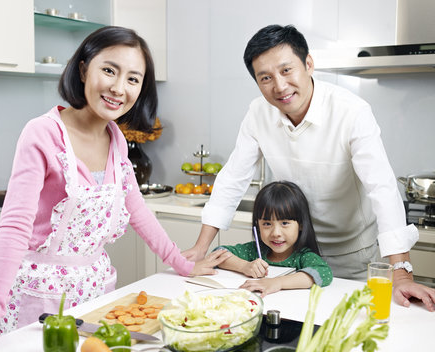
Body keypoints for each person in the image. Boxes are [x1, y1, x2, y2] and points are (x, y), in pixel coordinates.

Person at [0, 26, 231, 352]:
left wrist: (182, 263)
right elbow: (13, 230)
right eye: (109, 70)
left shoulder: (116, 138)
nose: (118, 88)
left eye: (133, 79)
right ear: (84, 69)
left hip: (96, 293)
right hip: (39, 297)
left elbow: (139, 213)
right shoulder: (42, 134)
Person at [183, 24, 435, 311]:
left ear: (309, 64)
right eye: (265, 77)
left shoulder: (351, 112)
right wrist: (200, 248)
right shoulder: (257, 113)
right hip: (293, 253)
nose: (279, 86)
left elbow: (383, 189)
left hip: (351, 253)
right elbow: (232, 179)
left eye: (286, 70)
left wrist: (401, 273)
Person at [215, 181, 332, 297]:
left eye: (285, 223)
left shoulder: (303, 256)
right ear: (258, 226)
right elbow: (218, 254)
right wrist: (244, 266)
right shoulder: (254, 250)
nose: (276, 233)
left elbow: (323, 273)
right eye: (266, 224)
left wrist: (277, 282)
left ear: (301, 224)